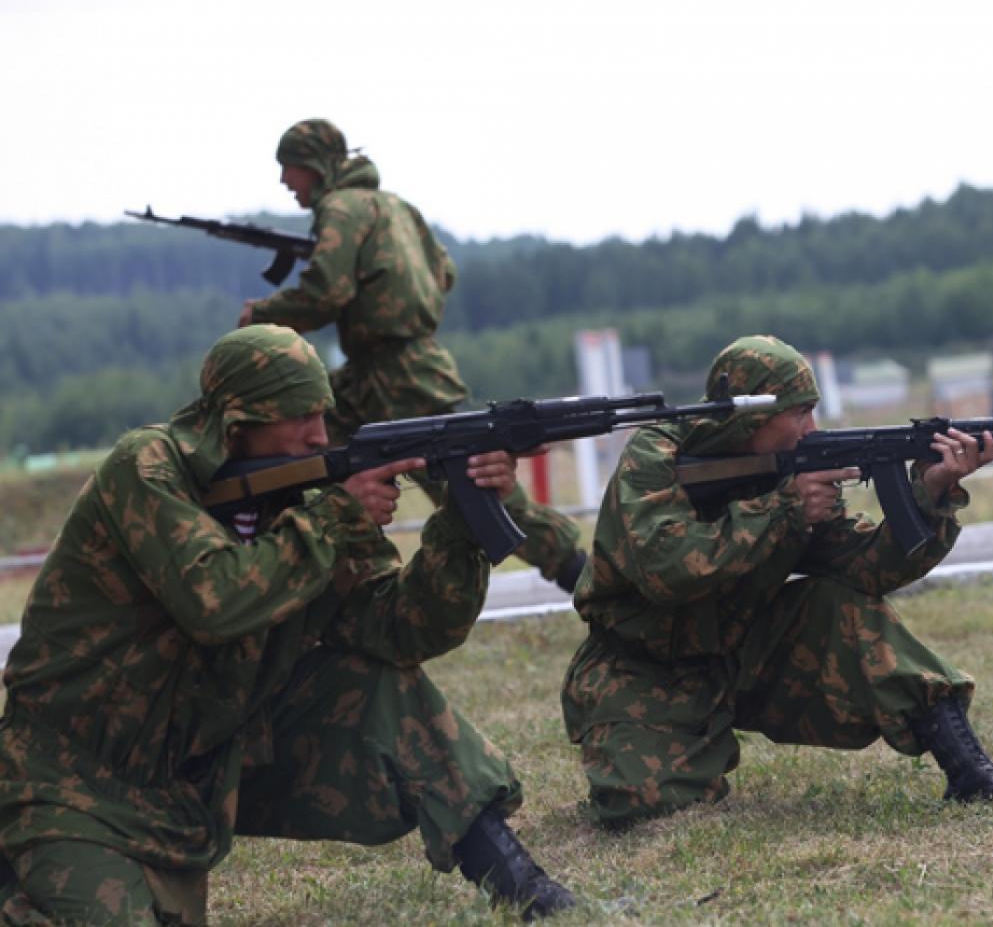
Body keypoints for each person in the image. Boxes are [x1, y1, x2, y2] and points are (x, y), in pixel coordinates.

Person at [0, 326, 575, 922]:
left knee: (379, 687)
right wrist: (334, 518)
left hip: (199, 762)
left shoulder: (305, 495)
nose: (319, 435)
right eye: (299, 416)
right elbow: (215, 601)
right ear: (238, 420)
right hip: (73, 778)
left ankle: (523, 886)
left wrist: (461, 520)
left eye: (323, 414)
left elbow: (400, 629)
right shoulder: (148, 469)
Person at [559, 335, 993, 829]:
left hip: (746, 650)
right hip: (642, 667)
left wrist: (930, 495)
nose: (812, 429)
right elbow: (668, 569)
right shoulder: (655, 455)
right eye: (799, 413)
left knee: (839, 605)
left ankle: (967, 768)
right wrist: (785, 508)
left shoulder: (792, 468)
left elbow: (867, 569)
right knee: (646, 809)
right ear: (751, 416)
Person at [240, 118, 587, 592]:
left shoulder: (340, 208)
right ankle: (304, 583)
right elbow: (443, 272)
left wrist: (261, 315)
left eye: (289, 168)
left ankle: (585, 576)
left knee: (473, 486)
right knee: (305, 466)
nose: (284, 182)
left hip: (395, 376)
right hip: (385, 371)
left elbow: (328, 291)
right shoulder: (397, 208)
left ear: (313, 165)